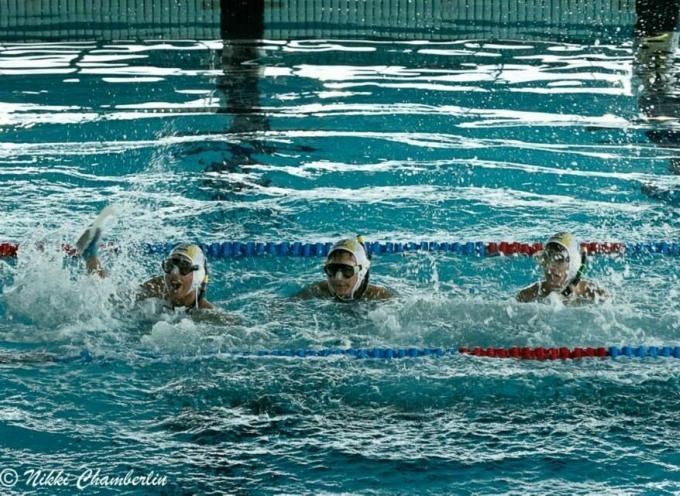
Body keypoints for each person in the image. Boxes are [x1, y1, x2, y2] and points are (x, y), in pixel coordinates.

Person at [76, 209, 236, 323]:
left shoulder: (206, 314)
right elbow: (113, 299)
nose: (174, 272)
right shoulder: (159, 287)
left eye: (184, 267)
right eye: (169, 265)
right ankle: (90, 256)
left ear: (198, 277)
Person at [516, 232, 608, 304]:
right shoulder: (528, 295)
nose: (550, 267)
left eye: (559, 260)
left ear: (573, 265)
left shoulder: (593, 293)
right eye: (547, 258)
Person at [296, 236, 392, 301]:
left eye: (347, 270)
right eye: (332, 269)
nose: (338, 277)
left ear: (361, 272)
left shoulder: (379, 297)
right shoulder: (317, 291)